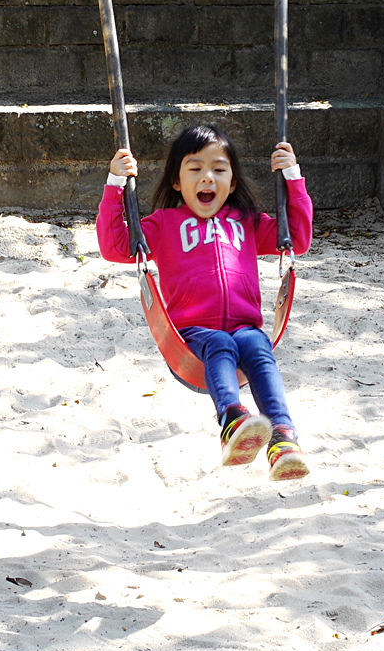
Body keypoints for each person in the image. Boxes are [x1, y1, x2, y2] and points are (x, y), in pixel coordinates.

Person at [98, 124, 312, 480]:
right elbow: (115, 245)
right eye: (195, 169)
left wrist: (292, 176)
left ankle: (283, 438)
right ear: (178, 182)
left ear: (232, 181)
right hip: (193, 336)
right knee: (219, 343)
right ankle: (231, 419)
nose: (207, 177)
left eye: (219, 169)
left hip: (245, 326)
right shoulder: (164, 224)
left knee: (257, 345)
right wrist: (115, 185)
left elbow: (298, 238)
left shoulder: (247, 222)